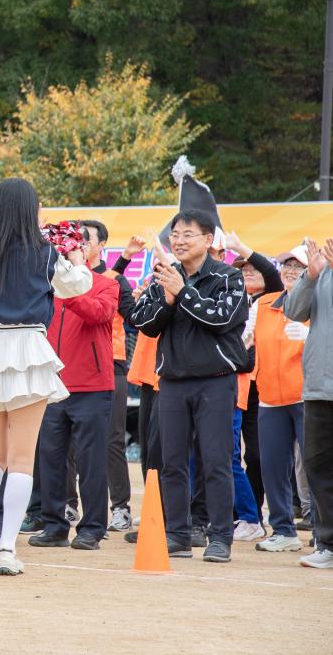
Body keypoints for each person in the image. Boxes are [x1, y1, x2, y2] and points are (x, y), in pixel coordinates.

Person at [0, 178, 92, 576]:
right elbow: (76, 286)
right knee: (20, 460)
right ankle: (6, 549)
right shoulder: (44, 253)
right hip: (27, 349)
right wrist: (79, 257)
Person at [130, 209, 248, 564]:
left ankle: (220, 538)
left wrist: (182, 293)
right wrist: (167, 300)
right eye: (175, 235)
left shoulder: (228, 278)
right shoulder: (165, 278)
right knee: (172, 462)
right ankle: (177, 535)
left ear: (208, 240)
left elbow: (222, 318)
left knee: (216, 461)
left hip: (216, 383)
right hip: (174, 383)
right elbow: (142, 323)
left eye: (188, 235)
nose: (178, 241)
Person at [29, 223, 119, 551]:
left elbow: (100, 314)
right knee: (51, 459)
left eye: (80, 243)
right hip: (53, 385)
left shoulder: (106, 284)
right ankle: (54, 525)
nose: (69, 249)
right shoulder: (45, 285)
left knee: (90, 460)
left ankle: (92, 528)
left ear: (93, 248)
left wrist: (71, 289)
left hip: (93, 386)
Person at [79, 220, 138, 533]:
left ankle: (121, 507)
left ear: (101, 244)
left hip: (110, 364)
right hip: (71, 367)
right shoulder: (65, 276)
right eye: (77, 239)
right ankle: (65, 505)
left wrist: (126, 259)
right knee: (69, 440)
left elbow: (132, 313)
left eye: (86, 239)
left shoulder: (112, 279)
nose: (81, 244)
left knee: (112, 438)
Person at [228, 230, 285, 533]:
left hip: (263, 384)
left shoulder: (275, 297)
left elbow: (272, 273)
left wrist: (242, 249)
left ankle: (261, 515)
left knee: (259, 454)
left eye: (252, 269)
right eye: (243, 270)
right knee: (232, 454)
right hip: (238, 385)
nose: (247, 273)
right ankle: (246, 516)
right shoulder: (236, 301)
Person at [251, 248, 308, 553]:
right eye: (287, 264)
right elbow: (243, 338)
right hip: (270, 398)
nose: (290, 270)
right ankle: (284, 530)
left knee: (316, 467)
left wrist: (309, 335)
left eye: (298, 266)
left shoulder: (320, 301)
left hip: (307, 397)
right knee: (272, 466)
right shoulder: (262, 304)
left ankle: (325, 535)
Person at [284, 237, 333, 568]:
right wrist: (310, 276)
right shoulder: (323, 270)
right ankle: (327, 543)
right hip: (318, 384)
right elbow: (293, 310)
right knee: (317, 464)